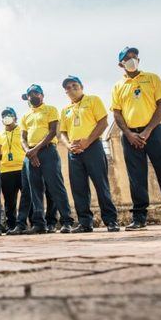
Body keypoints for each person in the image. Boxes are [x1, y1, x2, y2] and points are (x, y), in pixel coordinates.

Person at [111, 47, 161, 230]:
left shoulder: (152, 78)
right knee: (136, 178)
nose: (132, 60)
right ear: (121, 64)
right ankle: (139, 218)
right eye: (127, 58)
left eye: (134, 56)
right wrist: (129, 134)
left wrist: (147, 130)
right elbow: (117, 113)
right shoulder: (118, 86)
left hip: (154, 132)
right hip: (131, 136)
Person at [59, 75, 120, 233]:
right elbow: (62, 133)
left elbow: (103, 123)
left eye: (74, 85)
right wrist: (69, 146)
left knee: (101, 185)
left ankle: (111, 220)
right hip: (74, 152)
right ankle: (85, 222)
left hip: (93, 148)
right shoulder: (65, 110)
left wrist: (87, 141)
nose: (71, 89)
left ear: (81, 86)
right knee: (79, 188)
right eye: (68, 88)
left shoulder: (93, 100)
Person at [20, 84, 74, 234]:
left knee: (56, 187)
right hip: (31, 155)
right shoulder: (26, 115)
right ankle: (39, 224)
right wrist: (29, 152)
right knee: (35, 190)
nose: (33, 96)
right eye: (30, 94)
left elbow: (52, 132)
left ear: (42, 95)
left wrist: (35, 149)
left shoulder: (50, 109)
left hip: (48, 151)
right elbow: (22, 137)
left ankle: (66, 221)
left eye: (36, 93)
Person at [0, 107, 26, 233]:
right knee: (9, 202)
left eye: (9, 114)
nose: (6, 117)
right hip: (5, 171)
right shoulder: (0, 135)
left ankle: (25, 225)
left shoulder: (22, 130)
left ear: (15, 117)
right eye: (4, 115)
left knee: (27, 198)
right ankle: (11, 226)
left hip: (22, 168)